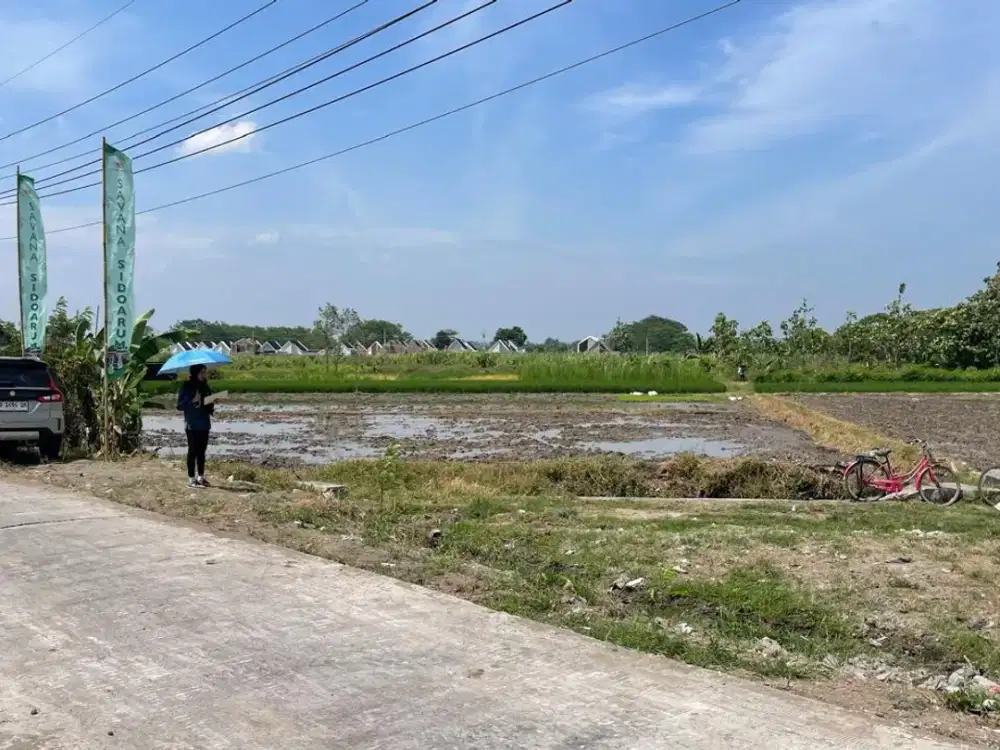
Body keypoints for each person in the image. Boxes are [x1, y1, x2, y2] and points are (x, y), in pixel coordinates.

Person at [176, 364, 215, 488]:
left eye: (205, 372)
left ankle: (201, 477)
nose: (204, 375)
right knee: (192, 451)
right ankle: (191, 479)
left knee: (202, 451)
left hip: (204, 422)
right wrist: (192, 400)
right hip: (192, 424)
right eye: (202, 372)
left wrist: (212, 402)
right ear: (195, 373)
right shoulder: (186, 386)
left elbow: (208, 404)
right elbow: (179, 406)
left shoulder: (206, 386)